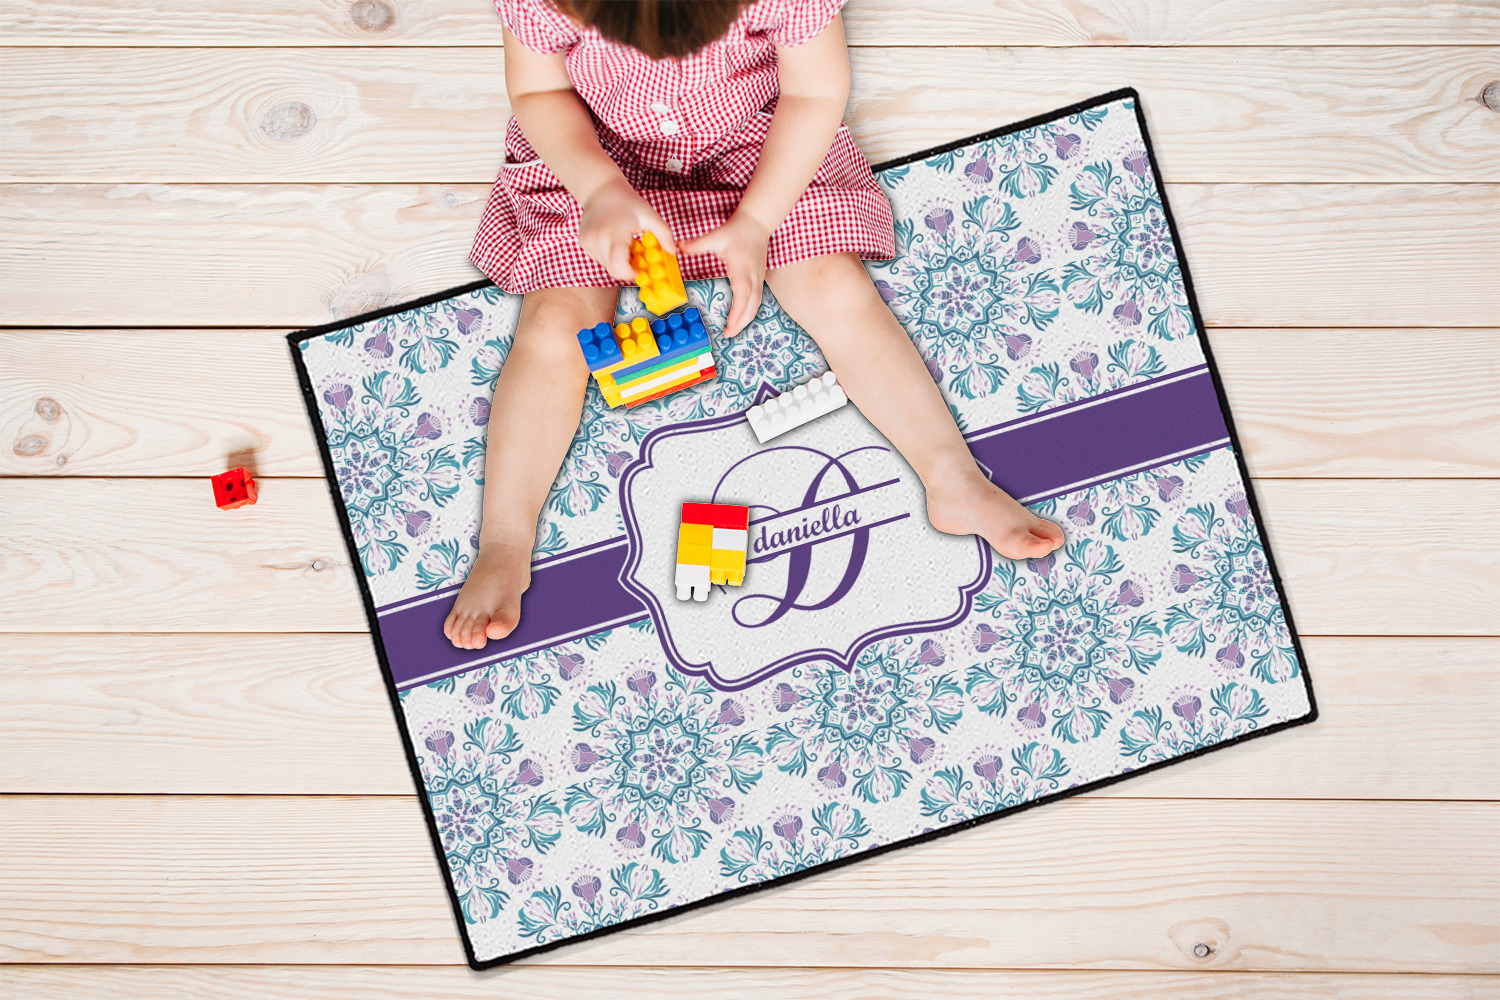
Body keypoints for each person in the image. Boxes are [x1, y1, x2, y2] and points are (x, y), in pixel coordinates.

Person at [444, 0, 1064, 650]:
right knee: (553, 328)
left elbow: (813, 94)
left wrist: (759, 221)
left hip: (758, 149)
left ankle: (954, 480)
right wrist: (599, 189)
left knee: (835, 288)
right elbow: (539, 91)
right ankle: (504, 541)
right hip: (592, 155)